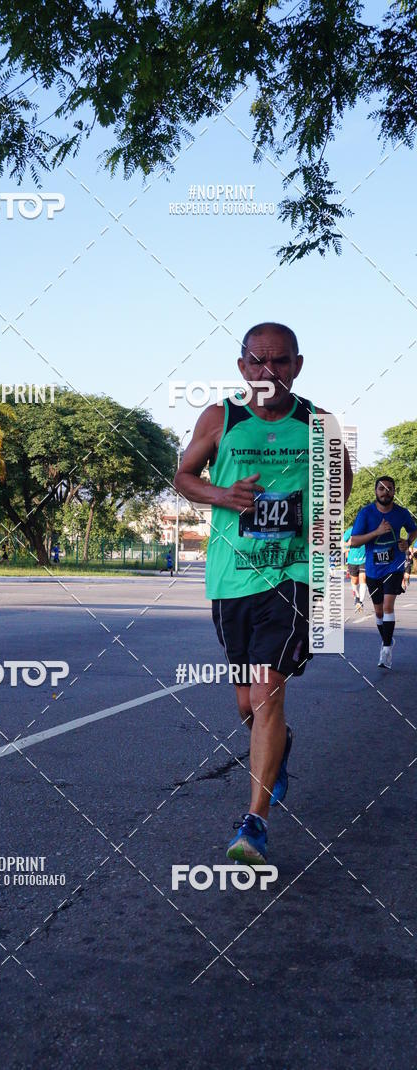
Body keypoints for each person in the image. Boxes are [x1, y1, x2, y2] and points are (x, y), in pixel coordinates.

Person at [174, 321, 353, 865]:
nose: (266, 371)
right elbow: (183, 476)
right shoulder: (219, 417)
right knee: (246, 701)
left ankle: (254, 821)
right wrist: (224, 496)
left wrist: (305, 509)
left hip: (292, 574)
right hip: (232, 578)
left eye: (278, 361)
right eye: (256, 361)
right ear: (241, 367)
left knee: (268, 688)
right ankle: (279, 748)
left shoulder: (320, 424)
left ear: (297, 366)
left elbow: (340, 487)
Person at [348, 477, 417, 669]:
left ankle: (386, 649)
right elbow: (354, 541)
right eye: (381, 488)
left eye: (389, 489)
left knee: (388, 606)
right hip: (373, 568)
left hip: (393, 566)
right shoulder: (366, 513)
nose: (385, 492)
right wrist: (376, 532)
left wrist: (407, 543)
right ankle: (387, 639)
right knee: (378, 611)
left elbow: (413, 531)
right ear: (375, 491)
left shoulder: (401, 513)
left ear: (394, 492)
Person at [343, 523, 367, 611]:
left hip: (364, 559)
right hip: (352, 560)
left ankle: (360, 602)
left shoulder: (368, 530)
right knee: (355, 581)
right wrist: (349, 543)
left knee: (363, 578)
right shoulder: (350, 531)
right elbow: (341, 543)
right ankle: (356, 597)